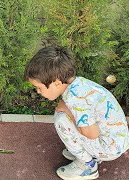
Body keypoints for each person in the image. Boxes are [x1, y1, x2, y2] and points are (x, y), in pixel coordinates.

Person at [24, 46, 129, 179]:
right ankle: (84, 151)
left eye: (39, 87)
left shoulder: (75, 100)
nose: (38, 91)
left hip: (109, 148)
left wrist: (68, 110)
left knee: (61, 119)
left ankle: (87, 166)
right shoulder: (79, 84)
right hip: (116, 139)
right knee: (64, 114)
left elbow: (91, 133)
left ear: (56, 83)